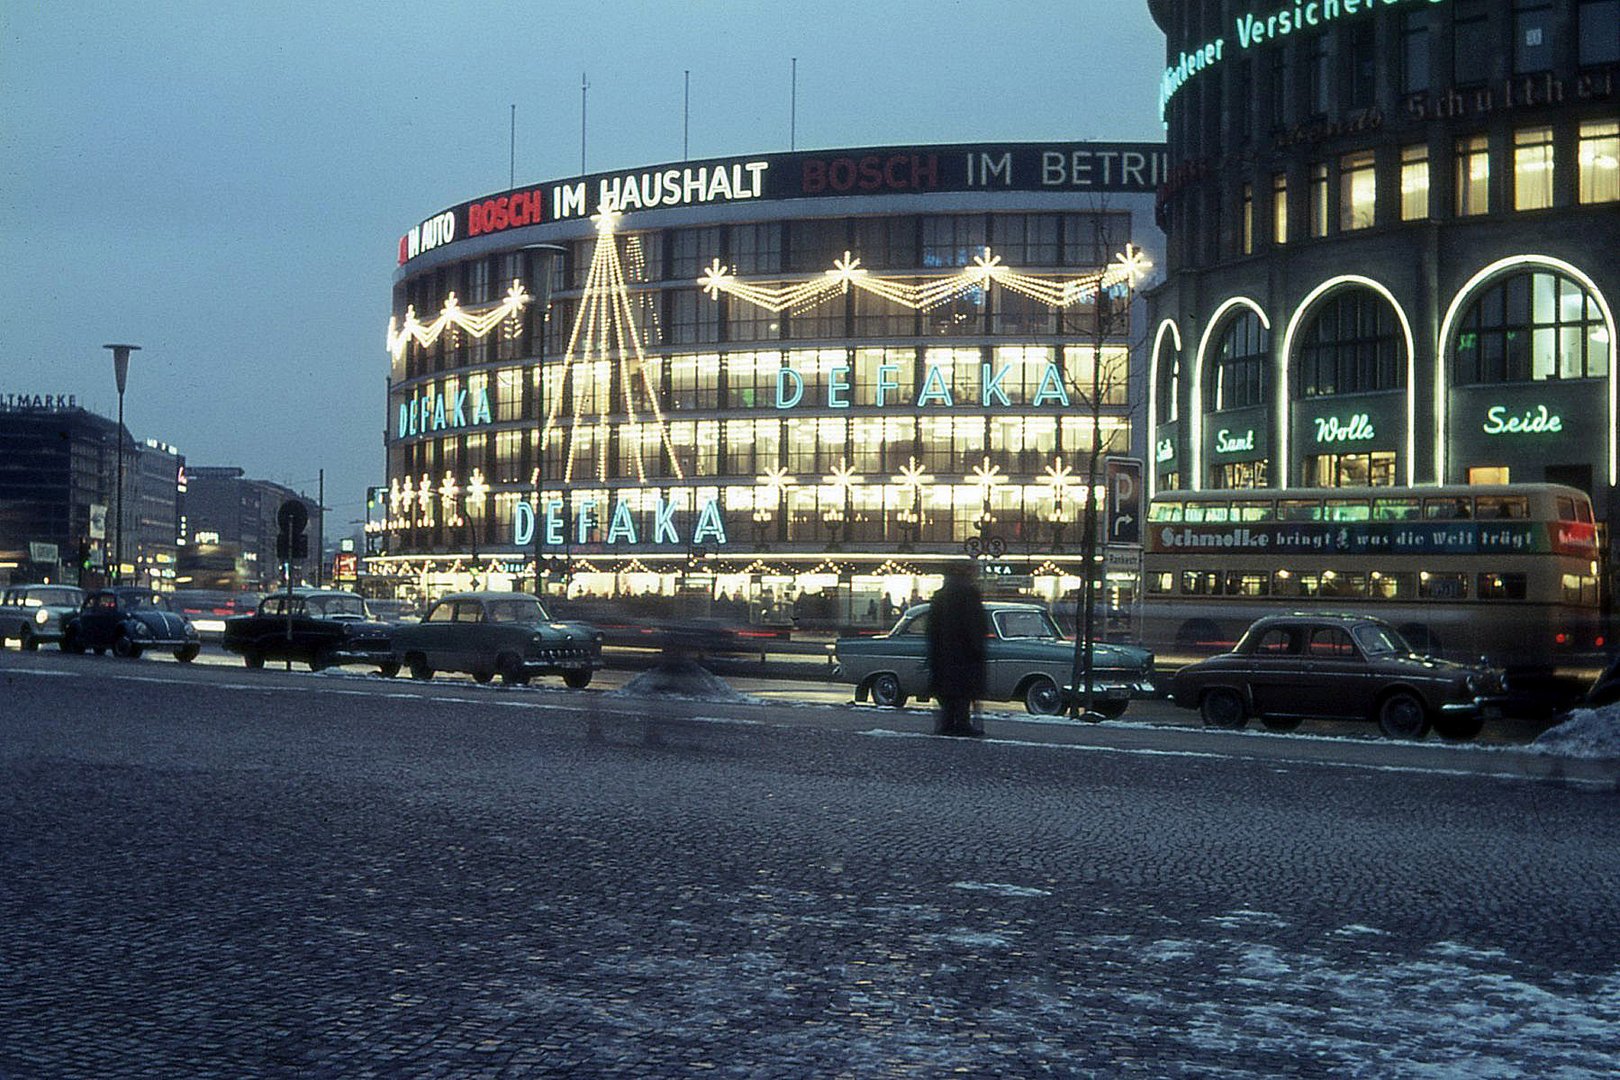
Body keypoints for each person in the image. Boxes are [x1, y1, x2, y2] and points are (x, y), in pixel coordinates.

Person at [926, 561, 989, 737]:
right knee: (963, 692)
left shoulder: (940, 596)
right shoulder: (969, 594)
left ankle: (947, 723)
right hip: (965, 654)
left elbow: (932, 628)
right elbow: (974, 626)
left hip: (942, 654)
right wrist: (977, 648)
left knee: (948, 692)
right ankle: (962, 723)